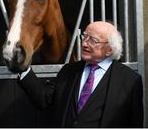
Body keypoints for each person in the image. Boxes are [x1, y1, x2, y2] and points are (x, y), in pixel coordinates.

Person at [15, 21, 143, 127]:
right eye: (85, 36)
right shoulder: (69, 71)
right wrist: (24, 68)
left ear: (109, 49)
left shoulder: (130, 80)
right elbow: (43, 99)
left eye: (93, 40)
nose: (84, 43)